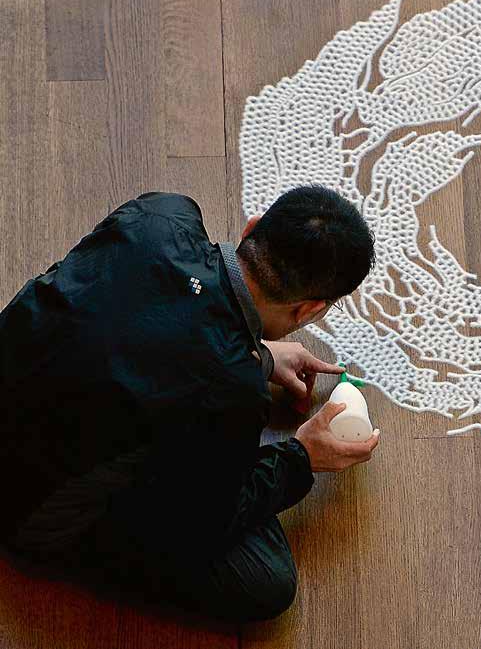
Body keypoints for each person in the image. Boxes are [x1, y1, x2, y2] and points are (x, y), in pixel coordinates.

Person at [0, 184, 381, 622]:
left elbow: (134, 318)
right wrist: (302, 457)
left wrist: (258, 355)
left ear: (252, 228)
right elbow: (204, 523)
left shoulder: (162, 216)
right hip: (26, 514)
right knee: (267, 579)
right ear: (309, 310)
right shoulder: (234, 392)